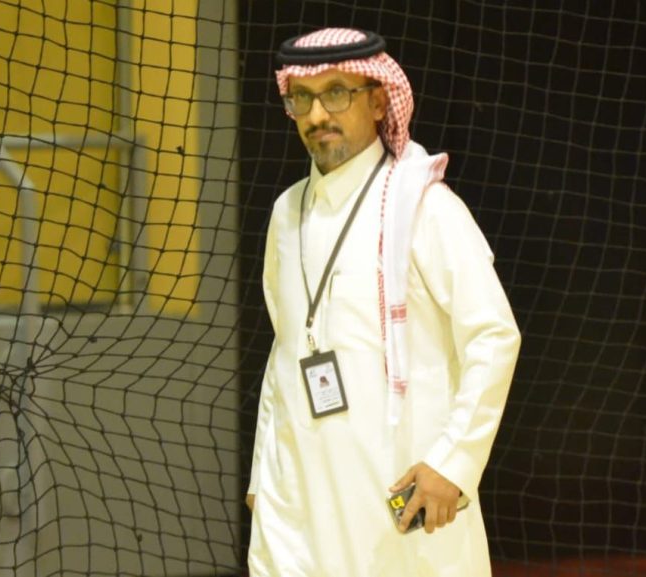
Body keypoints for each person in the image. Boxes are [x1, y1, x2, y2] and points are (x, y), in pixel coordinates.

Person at [246, 27, 521, 577]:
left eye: (336, 93)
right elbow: (284, 354)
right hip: (302, 501)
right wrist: (263, 475)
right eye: (302, 98)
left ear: (377, 101)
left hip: (405, 492)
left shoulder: (426, 206)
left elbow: (494, 337)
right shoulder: (286, 213)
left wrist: (454, 461)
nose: (317, 114)